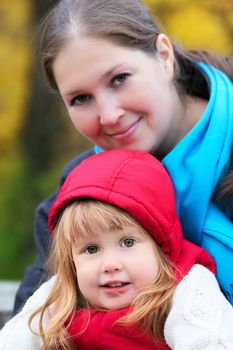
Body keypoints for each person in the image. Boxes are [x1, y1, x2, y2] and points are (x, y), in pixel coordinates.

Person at [13, 0, 233, 314]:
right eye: (81, 98)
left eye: (120, 79)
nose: (109, 115)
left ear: (164, 58)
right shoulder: (76, 197)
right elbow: (35, 320)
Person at [1, 149, 233, 350]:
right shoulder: (58, 296)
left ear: (160, 244)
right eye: (91, 249)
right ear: (71, 261)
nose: (110, 264)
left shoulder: (185, 288)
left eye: (128, 243)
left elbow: (209, 341)